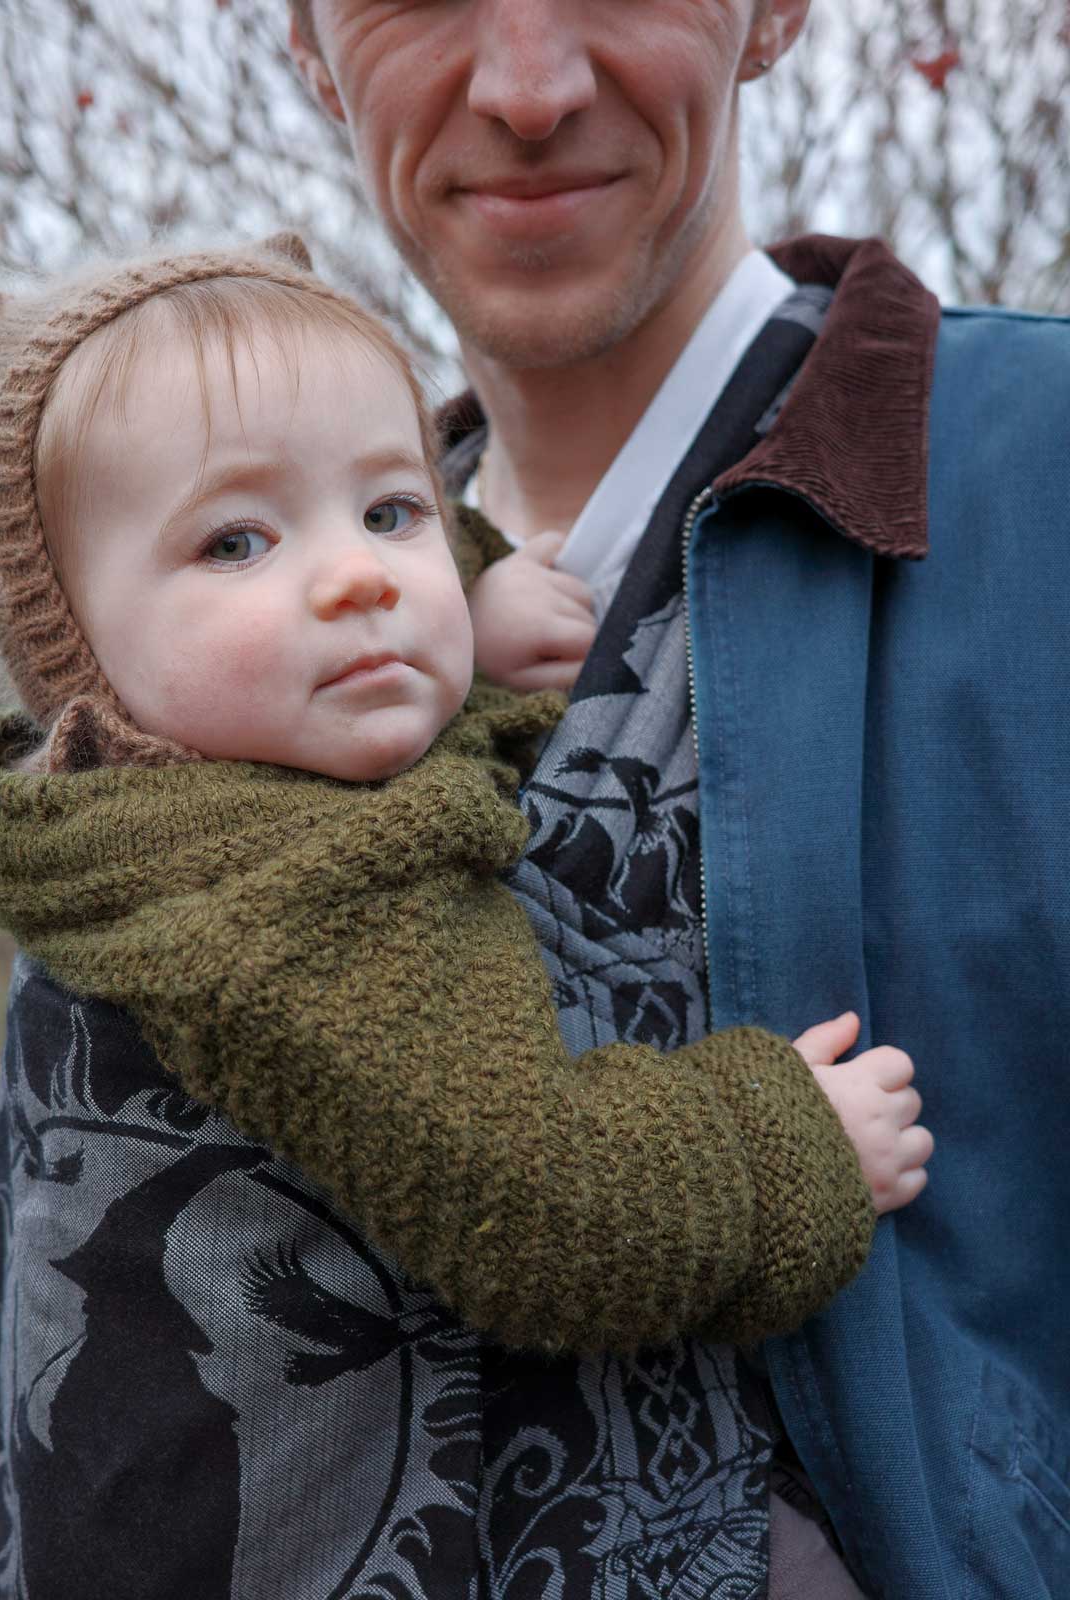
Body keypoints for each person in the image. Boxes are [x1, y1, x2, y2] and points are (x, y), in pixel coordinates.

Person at [0, 240, 923, 1598]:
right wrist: (791, 1147)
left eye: (391, 513)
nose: (358, 580)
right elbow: (541, 1210)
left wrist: (469, 618)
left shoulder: (173, 806)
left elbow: (358, 625)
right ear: (83, 653)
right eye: (237, 541)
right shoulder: (297, 912)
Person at [283, 2, 1070, 1598]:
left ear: (773, 13)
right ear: (305, 41)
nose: (526, 89)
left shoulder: (1042, 487)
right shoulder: (198, 645)